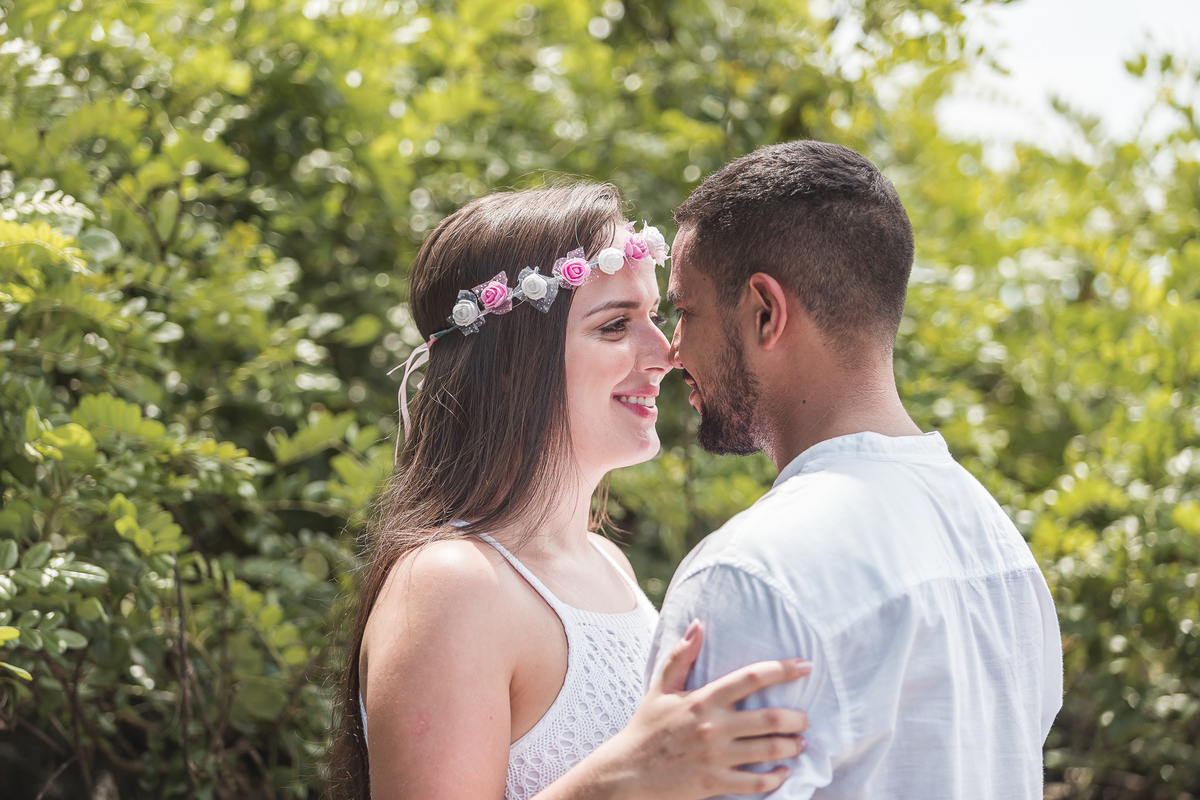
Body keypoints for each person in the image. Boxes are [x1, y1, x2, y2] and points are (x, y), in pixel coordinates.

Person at [325, 183, 812, 800]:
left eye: (655, 319)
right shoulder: (451, 583)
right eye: (615, 326)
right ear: (513, 363)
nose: (665, 353)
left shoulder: (608, 563)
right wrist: (626, 776)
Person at [649, 140, 1063, 799]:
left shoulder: (751, 574)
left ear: (765, 311)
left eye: (685, 312)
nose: (671, 352)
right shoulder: (1002, 553)